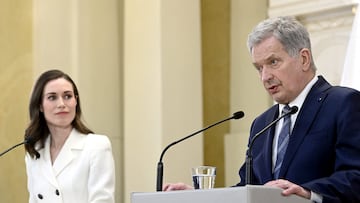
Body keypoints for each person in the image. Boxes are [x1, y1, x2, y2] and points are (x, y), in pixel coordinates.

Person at [163, 16, 360, 202]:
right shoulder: (262, 124)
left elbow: (355, 176)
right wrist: (201, 196)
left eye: (273, 62)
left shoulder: (343, 103)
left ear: (304, 59)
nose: (265, 77)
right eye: (259, 68)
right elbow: (248, 189)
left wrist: (309, 193)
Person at [24, 69, 115, 203]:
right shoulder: (35, 152)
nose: (61, 104)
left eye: (67, 96)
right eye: (52, 97)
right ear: (40, 106)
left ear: (76, 101)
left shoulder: (97, 146)